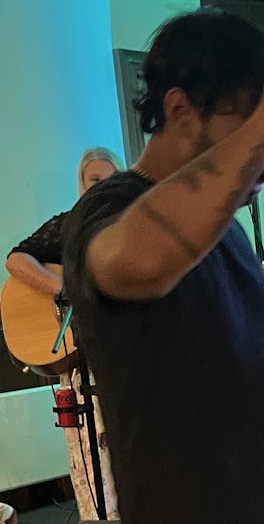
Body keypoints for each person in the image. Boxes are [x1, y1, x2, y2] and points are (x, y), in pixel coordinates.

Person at [60, 0, 264, 523]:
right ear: (178, 109)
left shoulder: (224, 229)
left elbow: (255, 357)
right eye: (252, 133)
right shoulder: (106, 210)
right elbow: (133, 265)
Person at [5, 146, 123, 521]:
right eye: (93, 181)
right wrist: (59, 289)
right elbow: (16, 259)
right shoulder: (69, 225)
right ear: (81, 186)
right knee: (96, 473)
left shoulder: (131, 232)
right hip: (83, 371)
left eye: (109, 181)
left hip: (123, 364)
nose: (100, 188)